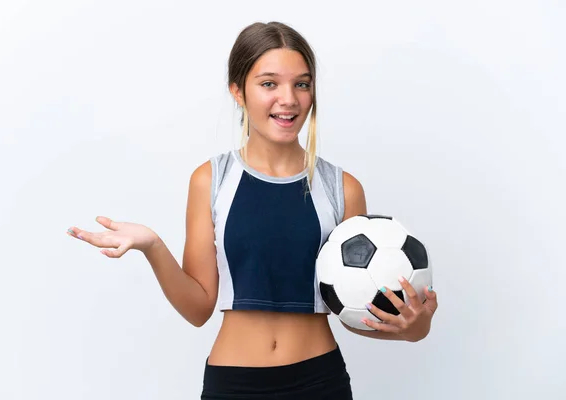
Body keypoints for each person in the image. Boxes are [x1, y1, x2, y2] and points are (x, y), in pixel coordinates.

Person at [67, 21, 438, 399]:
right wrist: (153, 246)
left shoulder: (342, 189)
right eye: (269, 84)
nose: (289, 99)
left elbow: (353, 310)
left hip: (319, 382)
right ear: (238, 91)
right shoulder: (210, 180)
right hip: (233, 383)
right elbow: (198, 309)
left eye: (302, 84)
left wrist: (413, 327)